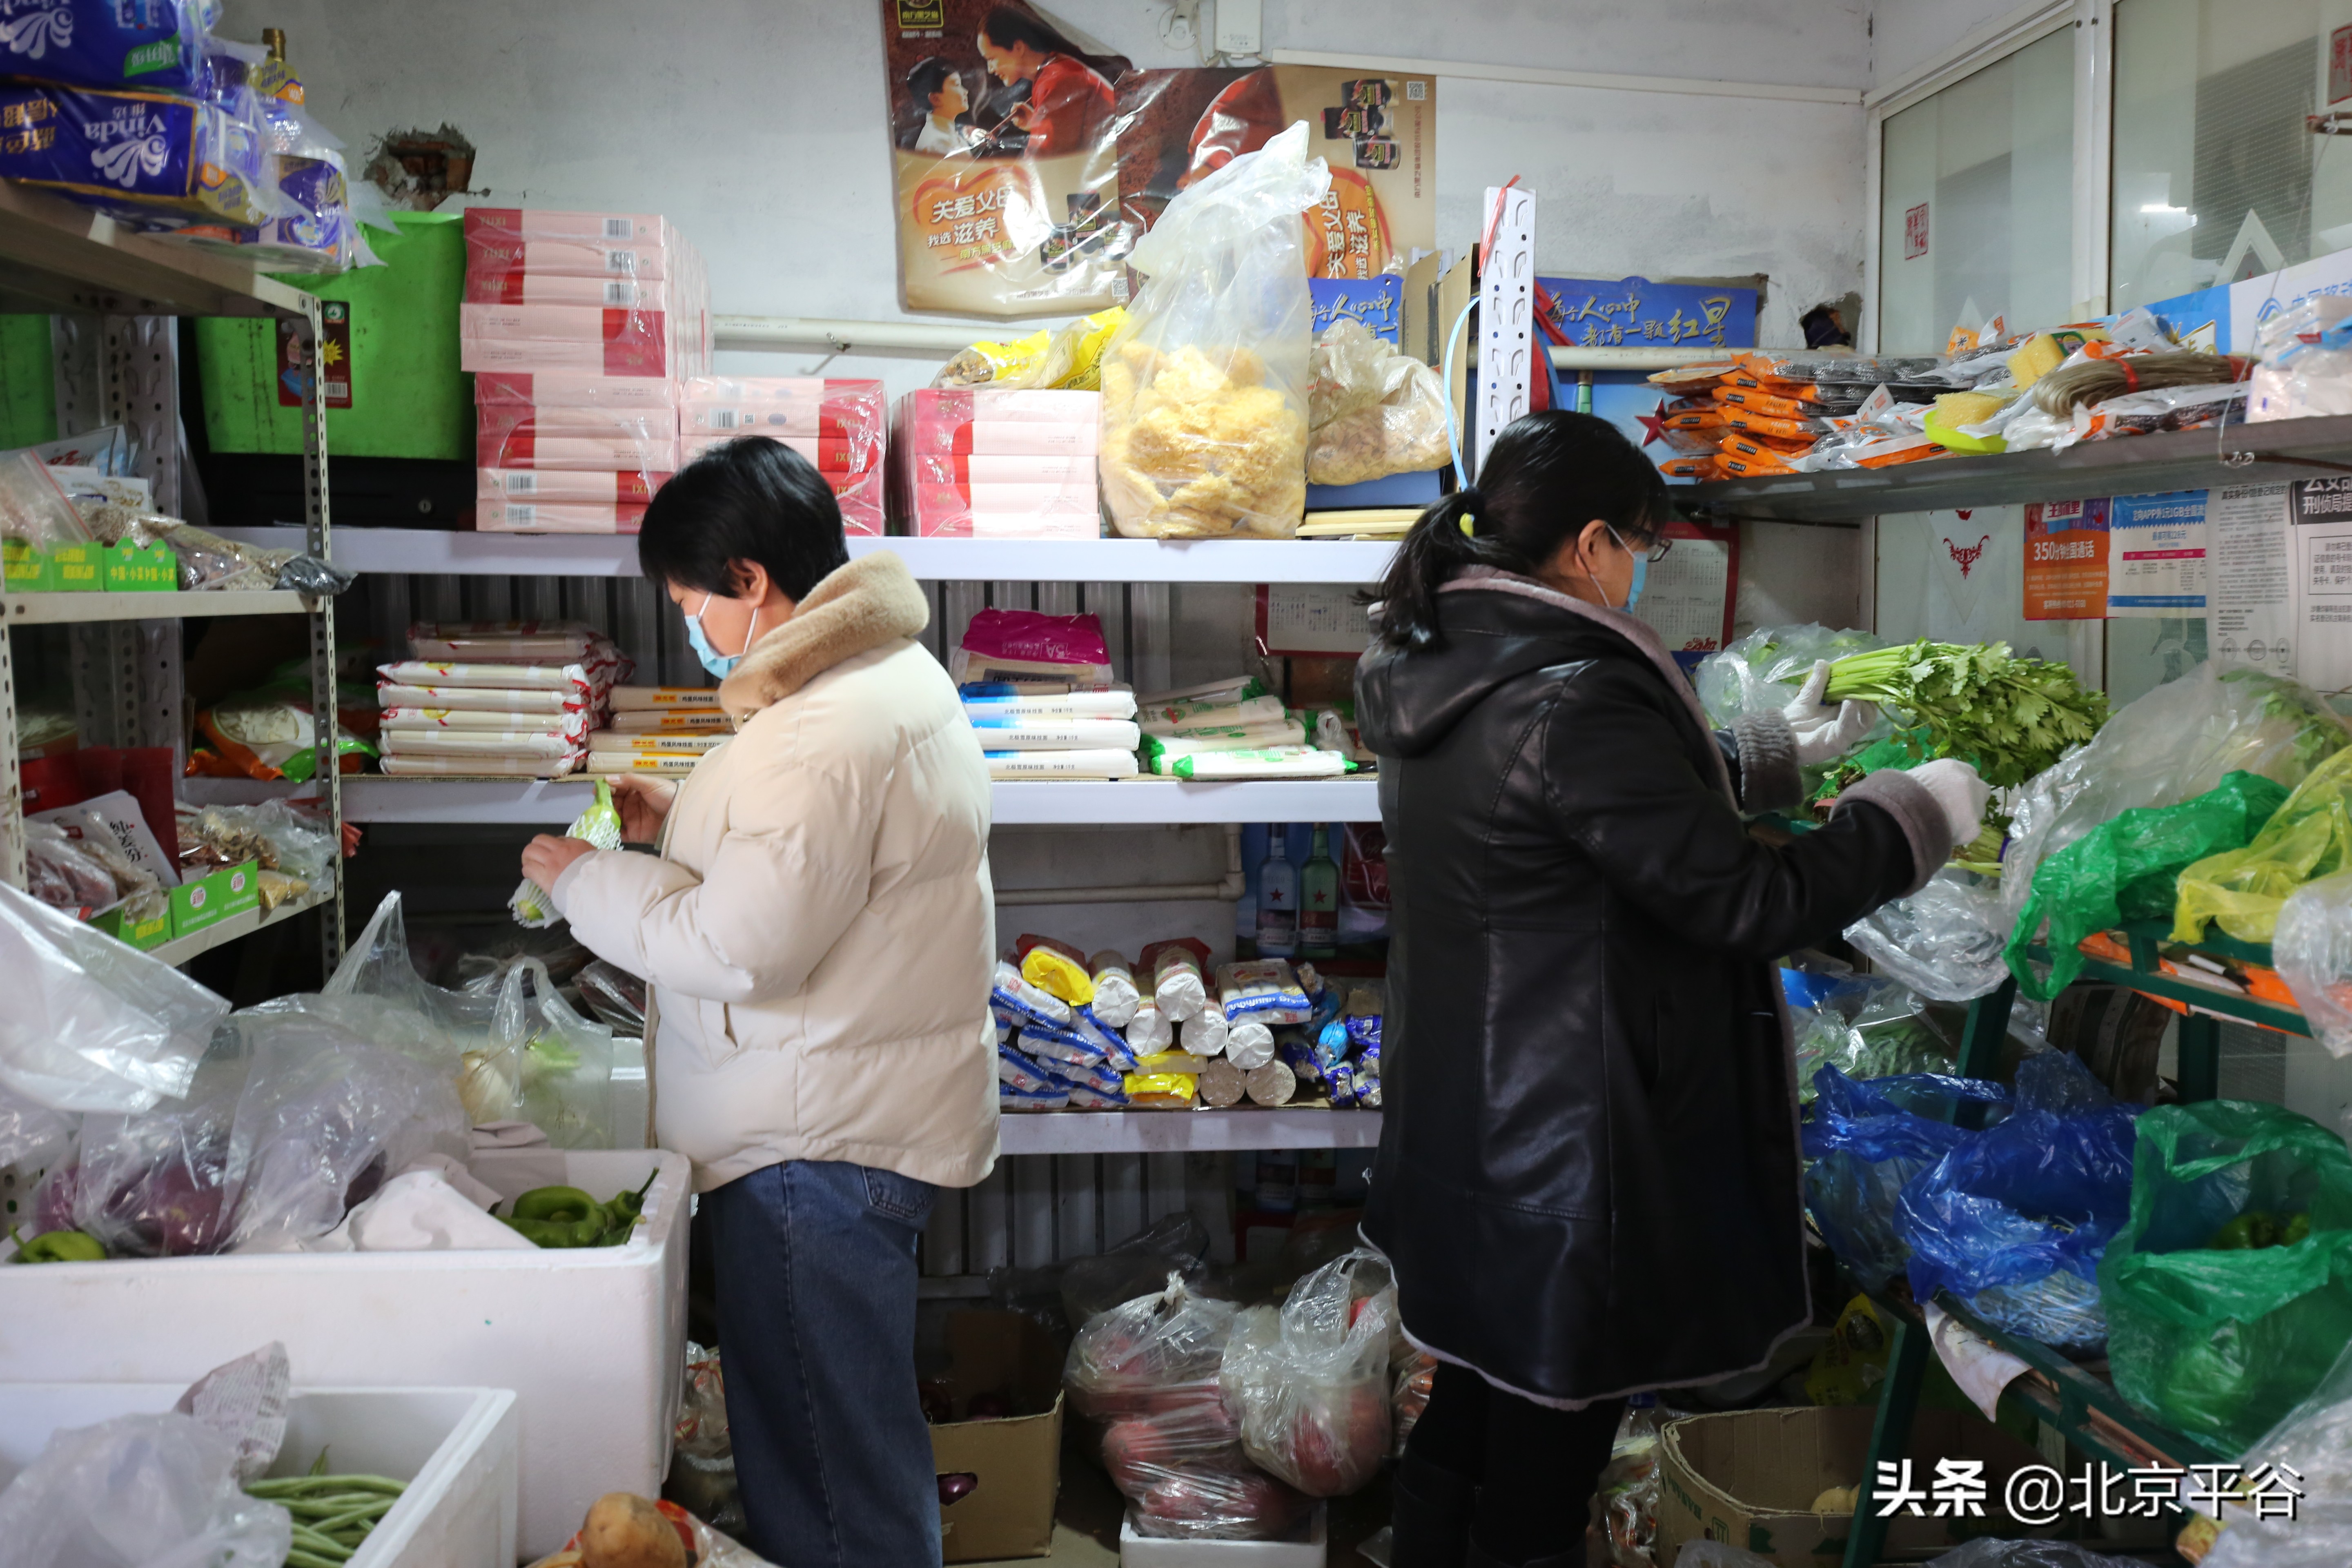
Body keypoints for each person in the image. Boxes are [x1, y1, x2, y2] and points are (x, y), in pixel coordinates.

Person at [1352, 411, 1988, 1568]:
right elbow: (1744, 902)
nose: (1645, 571)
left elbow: (1566, 819)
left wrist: (1752, 756)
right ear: (1592, 544)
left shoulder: (1443, 659)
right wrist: (1907, 822)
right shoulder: (1576, 694)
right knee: (1551, 1445)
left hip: (1471, 1122)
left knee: (1481, 1398)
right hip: (1568, 1147)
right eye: (1644, 547)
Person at [517, 437, 997, 1568]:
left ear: (751, 581)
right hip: (850, 1119)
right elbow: (812, 868)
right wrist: (677, 823)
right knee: (857, 1454)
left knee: (830, 1486)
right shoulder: (879, 678)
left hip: (809, 1149)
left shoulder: (822, 731)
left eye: (693, 600)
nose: (691, 625)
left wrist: (584, 881)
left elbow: (741, 950)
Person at [976, 5, 1114, 157]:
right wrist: (1037, 125)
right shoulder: (1054, 70)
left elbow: (1042, 162)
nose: (990, 69)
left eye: (991, 59)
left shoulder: (1057, 80)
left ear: (1018, 47)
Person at [901, 56, 976, 156]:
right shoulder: (939, 142)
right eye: (957, 85)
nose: (965, 92)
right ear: (935, 99)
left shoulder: (947, 133)